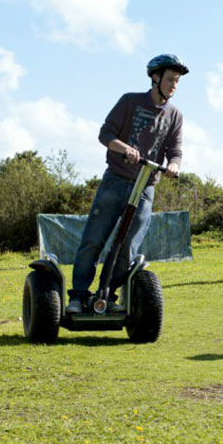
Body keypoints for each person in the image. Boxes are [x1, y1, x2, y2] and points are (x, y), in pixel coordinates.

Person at [66, 54, 188, 313]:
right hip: (116, 180)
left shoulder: (175, 115)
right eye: (170, 79)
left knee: (127, 246)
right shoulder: (130, 101)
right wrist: (124, 148)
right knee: (94, 240)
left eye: (177, 81)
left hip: (145, 188)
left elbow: (175, 150)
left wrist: (174, 166)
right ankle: (77, 297)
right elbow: (105, 133)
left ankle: (107, 297)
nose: (174, 85)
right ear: (155, 78)